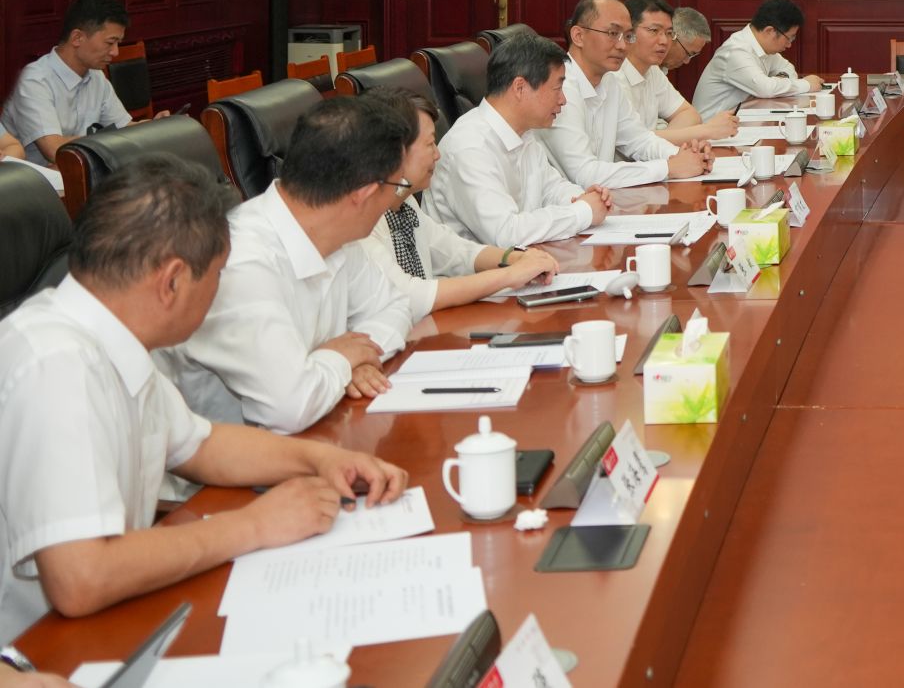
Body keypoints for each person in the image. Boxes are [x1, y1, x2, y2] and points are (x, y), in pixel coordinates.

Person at [0, 157, 408, 647]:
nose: (219, 292)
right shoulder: (56, 364)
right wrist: (256, 524)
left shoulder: (107, 337)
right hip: (41, 651)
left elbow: (201, 445)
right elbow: (81, 577)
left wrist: (321, 459)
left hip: (112, 619)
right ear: (172, 281)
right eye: (217, 275)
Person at [159, 100, 416, 432]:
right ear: (364, 194)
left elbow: (394, 306)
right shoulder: (240, 260)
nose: (397, 198)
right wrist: (340, 360)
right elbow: (288, 407)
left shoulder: (336, 233)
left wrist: (353, 360)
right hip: (233, 456)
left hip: (318, 428)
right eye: (397, 186)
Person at [358, 90, 558, 322]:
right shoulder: (361, 220)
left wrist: (513, 258)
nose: (437, 154)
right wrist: (509, 276)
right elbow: (410, 295)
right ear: (395, 153)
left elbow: (454, 250)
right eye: (430, 144)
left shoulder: (404, 202)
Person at [427, 31, 613, 248]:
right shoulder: (470, 147)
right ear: (520, 87)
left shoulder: (524, 132)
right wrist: (582, 212)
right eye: (557, 89)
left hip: (526, 258)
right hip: (480, 267)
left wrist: (583, 198)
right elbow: (505, 233)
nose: (563, 100)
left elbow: (551, 188)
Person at [539, 0, 706, 187]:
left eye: (628, 36)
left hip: (604, 198)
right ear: (578, 36)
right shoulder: (560, 87)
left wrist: (685, 156)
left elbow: (639, 140)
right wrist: (668, 167)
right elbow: (584, 173)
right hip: (570, 202)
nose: (622, 45)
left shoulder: (608, 81)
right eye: (612, 33)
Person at [1, 0, 138, 166]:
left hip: (85, 170)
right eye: (110, 43)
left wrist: (157, 126)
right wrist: (111, 140)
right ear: (77, 38)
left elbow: (124, 127)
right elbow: (55, 150)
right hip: (42, 179)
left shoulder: (96, 76)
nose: (115, 52)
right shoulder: (34, 80)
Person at [619, 0, 736, 142]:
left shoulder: (653, 71)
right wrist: (706, 131)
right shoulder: (613, 76)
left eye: (669, 33)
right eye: (654, 30)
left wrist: (661, 142)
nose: (664, 41)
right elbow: (633, 141)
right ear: (629, 33)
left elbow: (689, 114)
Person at [692, 0, 825, 119]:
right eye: (789, 38)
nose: (789, 45)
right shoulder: (736, 51)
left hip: (741, 121)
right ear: (769, 31)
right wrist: (807, 84)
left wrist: (779, 80)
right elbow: (766, 89)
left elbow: (787, 69)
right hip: (711, 129)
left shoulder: (764, 48)